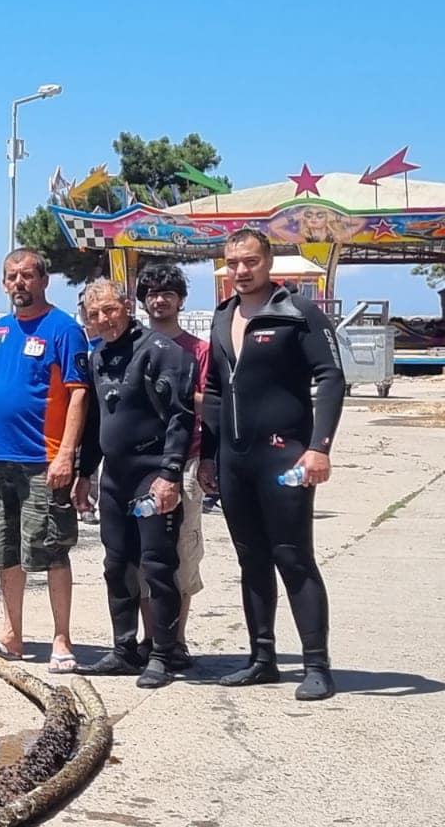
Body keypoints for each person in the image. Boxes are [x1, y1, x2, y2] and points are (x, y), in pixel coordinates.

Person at [201, 228, 345, 700]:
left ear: (269, 263)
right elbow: (217, 393)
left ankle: (316, 665)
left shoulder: (297, 312)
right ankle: (262, 657)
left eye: (250, 262)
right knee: (251, 560)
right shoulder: (223, 317)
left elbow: (330, 376)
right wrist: (208, 455)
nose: (242, 271)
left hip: (286, 455)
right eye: (234, 263)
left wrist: (319, 447)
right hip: (236, 459)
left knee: (293, 556)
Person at [0, 247, 90, 672]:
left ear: (43, 281)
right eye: (11, 276)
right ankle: (12, 633)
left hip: (44, 458)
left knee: (51, 547)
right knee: (4, 550)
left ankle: (62, 639)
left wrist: (67, 456)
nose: (19, 283)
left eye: (27, 276)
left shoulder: (64, 329)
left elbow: (78, 394)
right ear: (3, 283)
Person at [73, 281, 196, 689]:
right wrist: (84, 473)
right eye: (94, 315)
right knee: (117, 564)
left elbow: (181, 418)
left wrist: (169, 475)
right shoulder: (98, 355)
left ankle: (162, 652)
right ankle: (124, 649)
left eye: (109, 310)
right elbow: (95, 423)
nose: (103, 319)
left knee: (157, 564)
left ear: (127, 307)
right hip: (116, 478)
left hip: (152, 474)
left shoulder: (161, 351)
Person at [136, 261, 208, 665]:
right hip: (140, 462)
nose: (159, 299)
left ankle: (177, 638)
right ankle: (150, 638)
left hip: (188, 462)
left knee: (183, 551)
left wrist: (172, 391)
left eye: (166, 293)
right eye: (151, 293)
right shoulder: (132, 345)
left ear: (180, 300)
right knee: (144, 556)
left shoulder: (198, 350)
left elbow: (210, 403)